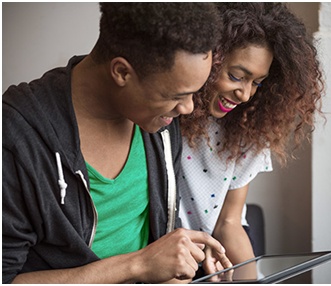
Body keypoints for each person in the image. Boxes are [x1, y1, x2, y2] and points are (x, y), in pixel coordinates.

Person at [2, 3, 232, 284]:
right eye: (176, 95)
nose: (187, 108)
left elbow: (147, 243)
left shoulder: (159, 122)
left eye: (193, 93)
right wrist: (137, 266)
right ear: (122, 72)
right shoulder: (16, 137)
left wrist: (178, 265)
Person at [179, 2, 325, 276]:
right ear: (209, 58)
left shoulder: (246, 130)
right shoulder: (164, 114)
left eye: (257, 82)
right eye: (236, 76)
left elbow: (229, 222)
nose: (245, 94)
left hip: (221, 249)